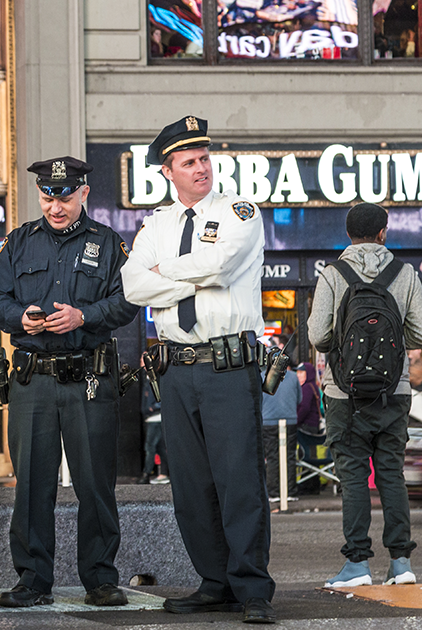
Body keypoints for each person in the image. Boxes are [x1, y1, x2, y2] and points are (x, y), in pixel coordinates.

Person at [120, 116, 276, 624]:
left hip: (228, 365)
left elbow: (222, 266)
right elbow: (132, 288)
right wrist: (189, 275)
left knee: (239, 480)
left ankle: (252, 588)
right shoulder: (156, 224)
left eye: (205, 158)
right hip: (176, 368)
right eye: (189, 162)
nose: (201, 168)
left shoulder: (239, 211)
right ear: (169, 171)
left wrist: (166, 272)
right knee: (191, 485)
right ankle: (215, 583)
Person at [0, 156, 139, 609]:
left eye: (65, 196)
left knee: (95, 484)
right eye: (48, 197)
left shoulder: (109, 244)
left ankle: (100, 579)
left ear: (84, 194)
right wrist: (20, 319)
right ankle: (32, 580)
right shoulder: (18, 243)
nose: (56, 206)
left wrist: (84, 315)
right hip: (34, 379)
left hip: (89, 378)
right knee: (31, 485)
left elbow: (128, 300)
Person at [308, 202, 422, 589]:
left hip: (345, 396)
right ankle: (401, 563)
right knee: (391, 474)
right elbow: (421, 336)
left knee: (355, 477)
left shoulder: (332, 274)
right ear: (383, 233)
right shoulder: (406, 274)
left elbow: (318, 336)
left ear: (348, 235)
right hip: (394, 393)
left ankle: (357, 564)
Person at [262, 362, 301, 500]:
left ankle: (273, 492)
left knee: (272, 457)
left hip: (268, 422)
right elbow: (299, 399)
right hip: (290, 420)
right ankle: (290, 492)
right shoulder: (293, 377)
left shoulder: (262, 377)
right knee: (290, 457)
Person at [139, 354, 169, 484]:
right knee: (160, 447)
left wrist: (153, 407)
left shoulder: (155, 378)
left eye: (143, 359)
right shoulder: (148, 378)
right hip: (153, 417)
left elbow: (163, 397)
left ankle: (146, 474)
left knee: (150, 446)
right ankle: (164, 473)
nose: (140, 362)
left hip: (155, 418)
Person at [296, 362, 323, 495]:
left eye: (302, 372)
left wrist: (297, 419)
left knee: (306, 454)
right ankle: (314, 483)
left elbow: (304, 407)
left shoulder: (306, 388)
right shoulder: (314, 387)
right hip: (314, 425)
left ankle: (308, 484)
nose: (298, 375)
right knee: (312, 454)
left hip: (306, 425)